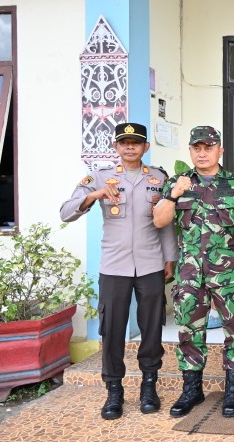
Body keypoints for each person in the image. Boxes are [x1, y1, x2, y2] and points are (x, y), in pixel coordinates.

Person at [60, 122, 177, 420]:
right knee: (112, 329)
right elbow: (66, 212)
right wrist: (96, 194)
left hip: (151, 263)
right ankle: (114, 390)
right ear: (116, 146)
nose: (129, 147)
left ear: (145, 147)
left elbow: (164, 223)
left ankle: (149, 385)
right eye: (124, 142)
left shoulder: (158, 178)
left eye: (135, 142)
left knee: (151, 327)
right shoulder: (100, 177)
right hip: (114, 266)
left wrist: (170, 258)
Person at [152, 125, 234, 419]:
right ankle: (192, 390)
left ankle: (233, 393)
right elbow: (160, 221)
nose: (202, 153)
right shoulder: (178, 183)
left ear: (219, 150)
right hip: (190, 273)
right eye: (196, 148)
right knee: (188, 330)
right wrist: (173, 195)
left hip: (228, 274)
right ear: (190, 151)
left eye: (208, 148)